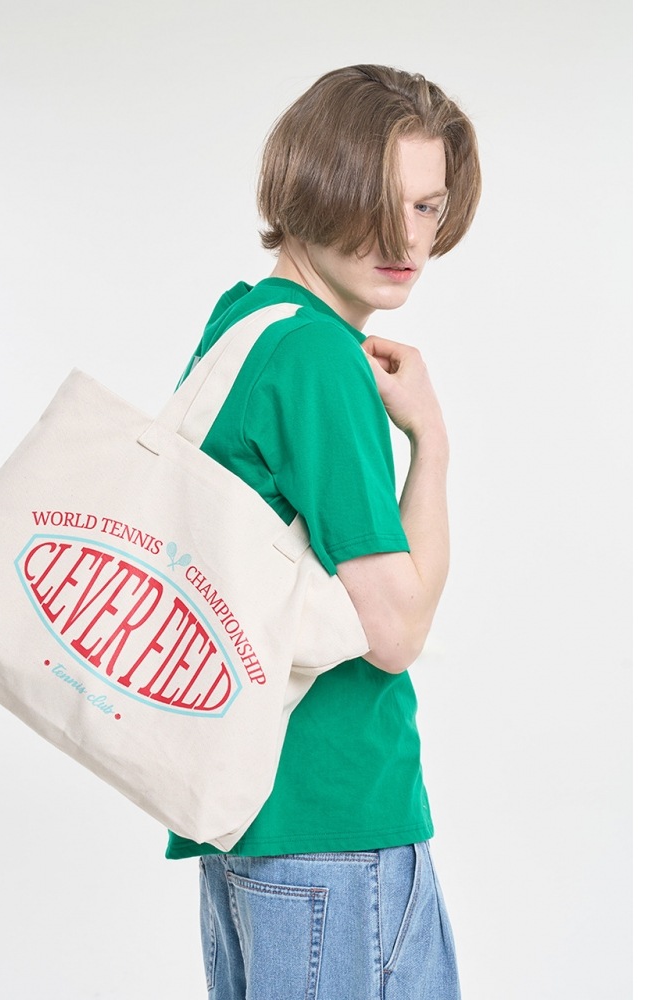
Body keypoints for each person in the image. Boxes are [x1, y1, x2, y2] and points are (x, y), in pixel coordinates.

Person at [168, 64, 481, 1000]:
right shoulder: (318, 358)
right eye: (376, 203)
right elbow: (397, 631)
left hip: (254, 824)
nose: (406, 240)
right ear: (309, 190)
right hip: (338, 822)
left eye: (426, 207)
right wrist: (431, 441)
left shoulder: (248, 323)